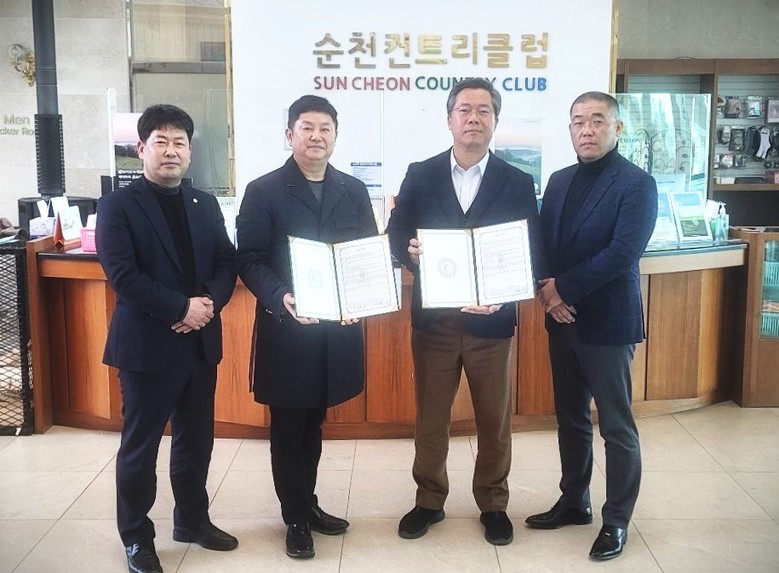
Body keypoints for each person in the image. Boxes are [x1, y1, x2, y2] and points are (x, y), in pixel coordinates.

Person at [386, 78, 545, 546]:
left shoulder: (517, 181)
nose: (473, 118)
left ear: (495, 120)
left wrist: (507, 294)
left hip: (491, 322)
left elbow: (530, 250)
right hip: (434, 323)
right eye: (464, 110)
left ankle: (493, 503)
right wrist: (409, 250)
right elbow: (396, 233)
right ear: (449, 119)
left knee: (494, 419)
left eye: (483, 110)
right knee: (431, 417)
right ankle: (429, 499)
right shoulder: (421, 174)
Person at [96, 104, 238, 573]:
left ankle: (192, 520)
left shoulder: (204, 203)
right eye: (161, 141)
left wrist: (207, 304)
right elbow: (122, 275)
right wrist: (181, 308)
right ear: (141, 149)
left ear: (190, 151)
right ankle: (137, 538)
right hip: (147, 347)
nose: (171, 150)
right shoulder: (118, 205)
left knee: (196, 441)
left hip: (199, 343)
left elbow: (226, 261)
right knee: (141, 447)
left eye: (179, 142)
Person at [236, 95, 378, 559]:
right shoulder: (263, 190)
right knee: (288, 424)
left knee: (314, 420)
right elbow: (249, 258)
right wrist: (280, 296)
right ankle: (295, 517)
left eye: (325, 128)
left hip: (336, 329)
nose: (316, 136)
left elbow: (365, 256)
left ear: (335, 136)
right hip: (288, 328)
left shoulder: (353, 190)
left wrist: (361, 298)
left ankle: (308, 502)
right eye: (307, 127)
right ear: (289, 135)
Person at [525, 91, 657, 561]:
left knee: (616, 427)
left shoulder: (636, 183)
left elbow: (623, 253)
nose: (587, 129)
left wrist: (563, 290)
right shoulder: (559, 181)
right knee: (571, 418)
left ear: (616, 128)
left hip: (608, 323)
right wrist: (547, 290)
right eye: (578, 121)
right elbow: (541, 242)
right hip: (561, 321)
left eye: (597, 120)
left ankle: (616, 519)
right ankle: (574, 500)